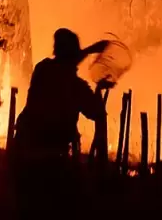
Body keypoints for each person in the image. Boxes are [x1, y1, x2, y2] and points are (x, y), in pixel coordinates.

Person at [13, 28, 112, 163]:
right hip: (53, 157)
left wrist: (89, 50)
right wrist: (99, 87)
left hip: (24, 148)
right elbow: (96, 112)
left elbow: (64, 62)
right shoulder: (75, 87)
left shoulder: (43, 69)